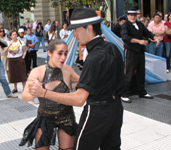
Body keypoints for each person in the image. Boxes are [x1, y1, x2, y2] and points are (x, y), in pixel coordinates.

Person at [24, 8, 125, 150]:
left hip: (97, 112)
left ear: (89, 28)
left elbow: (79, 99)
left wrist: (43, 93)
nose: (74, 34)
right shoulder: (112, 47)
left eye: (76, 30)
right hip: (116, 109)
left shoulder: (94, 57)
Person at [19, 39, 79, 149]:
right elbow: (24, 96)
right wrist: (35, 92)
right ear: (49, 53)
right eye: (60, 53)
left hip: (66, 116)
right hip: (45, 117)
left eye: (65, 53)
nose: (63, 57)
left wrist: (72, 86)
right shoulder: (37, 72)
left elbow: (80, 82)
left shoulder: (67, 70)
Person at [120, 9, 160, 103]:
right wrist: (139, 41)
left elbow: (147, 33)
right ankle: (125, 94)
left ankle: (142, 92)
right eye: (131, 15)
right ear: (127, 16)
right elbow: (125, 37)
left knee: (141, 72)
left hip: (140, 51)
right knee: (129, 73)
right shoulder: (125, 25)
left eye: (134, 15)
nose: (133, 17)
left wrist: (155, 38)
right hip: (130, 51)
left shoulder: (140, 24)